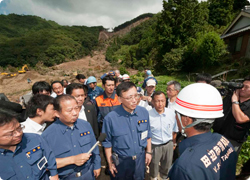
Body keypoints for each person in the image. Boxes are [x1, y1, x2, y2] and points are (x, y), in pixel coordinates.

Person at [168, 83, 237, 180]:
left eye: (177, 114)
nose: (175, 117)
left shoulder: (184, 166)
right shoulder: (223, 140)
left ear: (186, 120)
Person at [42, 95, 101, 179]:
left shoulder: (85, 125)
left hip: (88, 173)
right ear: (57, 113)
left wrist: (97, 165)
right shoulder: (47, 135)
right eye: (69, 110)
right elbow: (46, 164)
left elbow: (94, 148)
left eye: (76, 108)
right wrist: (72, 160)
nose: (74, 113)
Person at [102, 82, 152, 180]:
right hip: (121, 162)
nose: (134, 100)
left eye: (136, 96)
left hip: (140, 160)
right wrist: (110, 163)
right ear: (119, 99)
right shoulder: (110, 118)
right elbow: (107, 143)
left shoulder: (143, 112)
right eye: (129, 98)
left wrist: (149, 152)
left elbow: (148, 133)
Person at [0, 110, 59, 180]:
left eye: (19, 128)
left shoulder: (34, 139)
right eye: (10, 134)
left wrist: (54, 176)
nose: (18, 134)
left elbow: (50, 159)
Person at [213, 76, 250, 155]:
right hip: (217, 133)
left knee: (226, 163)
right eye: (242, 86)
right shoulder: (230, 96)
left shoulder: (235, 99)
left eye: (247, 87)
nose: (242, 89)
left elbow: (240, 119)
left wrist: (235, 101)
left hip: (232, 140)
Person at [149, 91, 178, 180]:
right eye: (157, 101)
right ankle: (153, 178)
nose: (160, 104)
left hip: (168, 144)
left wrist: (173, 143)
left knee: (167, 166)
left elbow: (174, 130)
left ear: (166, 101)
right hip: (154, 145)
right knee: (153, 166)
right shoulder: (148, 114)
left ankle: (164, 178)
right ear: (153, 102)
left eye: (162, 101)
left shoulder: (171, 113)